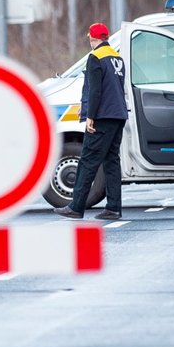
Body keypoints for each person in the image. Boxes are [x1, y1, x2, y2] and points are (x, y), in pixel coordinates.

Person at [54, 22, 128, 220]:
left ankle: (76, 207)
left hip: (102, 117)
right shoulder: (117, 57)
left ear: (92, 38)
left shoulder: (95, 58)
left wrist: (90, 117)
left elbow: (95, 90)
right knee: (112, 161)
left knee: (87, 161)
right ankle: (113, 208)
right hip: (118, 115)